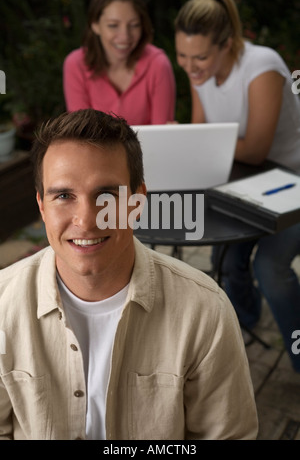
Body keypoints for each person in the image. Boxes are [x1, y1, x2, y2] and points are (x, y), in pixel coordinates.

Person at [0, 108, 258, 440]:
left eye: (107, 195)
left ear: (137, 202)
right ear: (41, 206)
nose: (87, 220)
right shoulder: (4, 305)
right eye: (64, 195)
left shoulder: (205, 311)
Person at [174, 0, 300, 373]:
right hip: (247, 182)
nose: (191, 68)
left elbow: (257, 148)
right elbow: (202, 134)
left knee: (270, 269)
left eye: (200, 58)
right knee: (224, 258)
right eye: (182, 56)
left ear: (227, 44)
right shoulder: (202, 70)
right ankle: (245, 322)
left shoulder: (262, 65)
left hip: (292, 180)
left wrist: (202, 142)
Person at [63, 0, 176, 125]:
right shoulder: (75, 64)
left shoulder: (158, 64)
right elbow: (80, 134)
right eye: (113, 25)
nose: (125, 36)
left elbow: (161, 134)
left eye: (134, 25)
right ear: (95, 25)